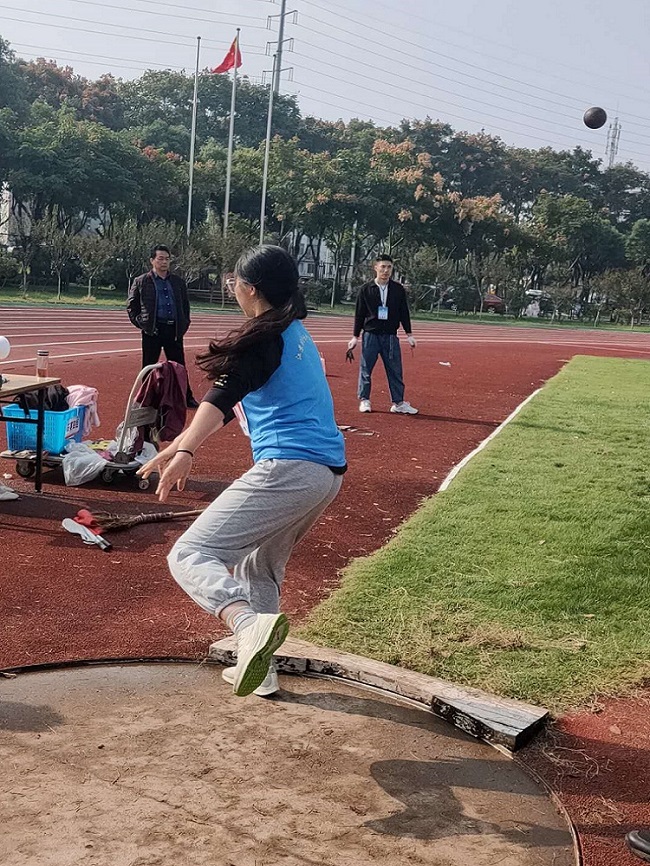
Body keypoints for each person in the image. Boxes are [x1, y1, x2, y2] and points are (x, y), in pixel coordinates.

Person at [138, 245, 346, 698]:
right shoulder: (292, 331)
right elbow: (232, 403)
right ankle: (260, 669)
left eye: (234, 282)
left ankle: (247, 627)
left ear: (249, 289)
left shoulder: (263, 338)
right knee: (259, 569)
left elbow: (220, 397)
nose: (231, 288)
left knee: (190, 554)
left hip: (291, 468)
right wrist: (181, 443)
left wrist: (186, 450)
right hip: (325, 475)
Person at [127, 244, 199, 409]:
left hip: (173, 330)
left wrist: (184, 324)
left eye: (167, 259)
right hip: (152, 330)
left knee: (179, 366)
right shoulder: (141, 281)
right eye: (160, 258)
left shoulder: (178, 282)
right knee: (148, 366)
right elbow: (132, 306)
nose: (164, 262)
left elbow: (185, 306)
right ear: (152, 260)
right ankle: (146, 398)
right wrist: (143, 324)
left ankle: (186, 397)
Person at [347, 253, 418, 415]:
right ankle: (364, 399)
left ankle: (398, 402)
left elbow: (404, 312)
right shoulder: (366, 289)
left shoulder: (398, 289)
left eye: (389, 267)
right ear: (376, 268)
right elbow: (359, 314)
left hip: (390, 336)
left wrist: (409, 334)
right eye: (383, 267)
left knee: (395, 370)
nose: (386, 270)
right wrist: (355, 336)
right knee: (366, 368)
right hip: (370, 335)